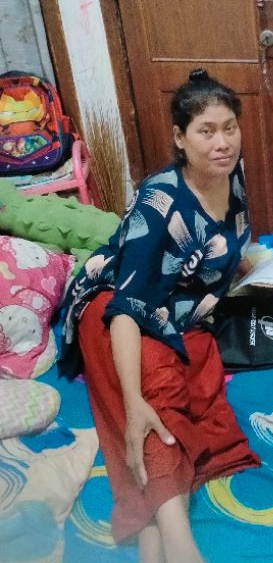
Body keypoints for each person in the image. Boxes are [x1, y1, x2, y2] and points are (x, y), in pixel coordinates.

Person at [59, 69, 259, 563]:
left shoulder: (231, 174)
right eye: (206, 131)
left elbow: (220, 241)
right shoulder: (159, 201)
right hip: (114, 305)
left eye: (229, 127)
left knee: (199, 389)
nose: (222, 142)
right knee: (154, 391)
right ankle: (181, 545)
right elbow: (127, 308)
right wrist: (132, 403)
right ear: (180, 138)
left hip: (180, 312)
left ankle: (152, 541)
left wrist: (241, 264)